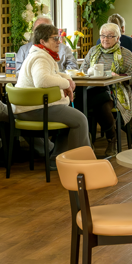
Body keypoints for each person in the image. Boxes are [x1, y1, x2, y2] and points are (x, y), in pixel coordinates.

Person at [15, 23, 91, 166]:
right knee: (80, 120)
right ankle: (82, 163)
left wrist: (65, 78)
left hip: (30, 107)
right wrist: (66, 83)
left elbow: (52, 73)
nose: (59, 41)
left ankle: (57, 160)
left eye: (58, 37)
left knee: (72, 119)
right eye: (54, 38)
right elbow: (42, 80)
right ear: (42, 42)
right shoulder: (41, 58)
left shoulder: (40, 54)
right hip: (34, 109)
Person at [82, 23, 132, 157]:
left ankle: (111, 139)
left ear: (117, 38)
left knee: (103, 106)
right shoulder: (93, 51)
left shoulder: (125, 54)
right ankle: (88, 138)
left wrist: (121, 77)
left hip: (116, 91)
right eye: (103, 36)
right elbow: (83, 70)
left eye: (110, 36)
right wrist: (88, 73)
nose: (105, 39)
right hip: (93, 90)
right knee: (87, 100)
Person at [99, 13, 132, 110]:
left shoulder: (100, 42)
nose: (106, 39)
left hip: (103, 82)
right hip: (122, 80)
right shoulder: (128, 41)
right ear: (122, 28)